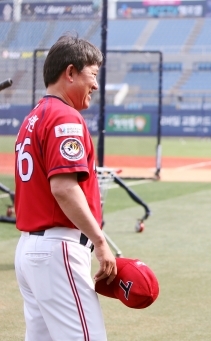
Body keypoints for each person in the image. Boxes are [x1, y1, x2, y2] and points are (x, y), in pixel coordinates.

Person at [13, 34, 116, 340]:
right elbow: (64, 188)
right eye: (92, 75)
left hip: (31, 249)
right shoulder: (64, 117)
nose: (95, 85)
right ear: (70, 73)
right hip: (57, 249)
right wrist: (100, 241)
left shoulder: (33, 117)